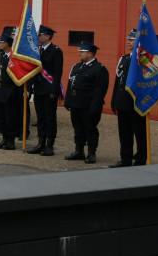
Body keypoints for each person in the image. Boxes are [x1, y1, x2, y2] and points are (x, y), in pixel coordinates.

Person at [63, 41, 109, 163]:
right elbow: (71, 84)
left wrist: (95, 106)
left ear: (90, 53)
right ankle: (79, 151)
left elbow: (100, 90)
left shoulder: (99, 69)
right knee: (77, 128)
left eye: (82, 52)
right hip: (76, 103)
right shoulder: (77, 67)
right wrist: (68, 100)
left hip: (88, 105)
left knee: (90, 129)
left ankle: (91, 153)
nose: (79, 53)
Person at [110, 29, 148, 167]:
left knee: (140, 134)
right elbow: (118, 81)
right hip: (122, 102)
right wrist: (114, 100)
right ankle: (125, 159)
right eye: (128, 39)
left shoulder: (143, 59)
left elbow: (148, 81)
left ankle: (140, 159)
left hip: (137, 103)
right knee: (124, 133)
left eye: (131, 40)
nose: (128, 42)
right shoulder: (124, 58)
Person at [27, 25, 63, 156]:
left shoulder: (56, 51)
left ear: (47, 36)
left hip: (49, 89)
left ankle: (49, 145)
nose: (38, 37)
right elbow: (33, 70)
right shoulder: (37, 50)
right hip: (39, 89)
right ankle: (40, 143)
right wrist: (29, 88)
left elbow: (57, 73)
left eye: (40, 35)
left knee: (50, 117)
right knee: (40, 117)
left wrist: (54, 91)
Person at [0, 31, 22, 150]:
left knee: (10, 117)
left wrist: (14, 91)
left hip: (10, 90)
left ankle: (11, 141)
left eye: (1, 42)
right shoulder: (1, 56)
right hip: (0, 90)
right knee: (1, 117)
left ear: (7, 44)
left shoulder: (14, 57)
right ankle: (4, 139)